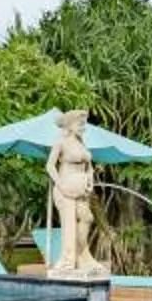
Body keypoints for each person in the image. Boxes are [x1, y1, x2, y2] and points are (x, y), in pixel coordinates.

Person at [46, 109, 103, 280]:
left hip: (81, 189)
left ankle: (83, 255)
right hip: (65, 190)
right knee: (70, 224)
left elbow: (89, 166)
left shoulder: (81, 143)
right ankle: (68, 259)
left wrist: (90, 180)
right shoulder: (61, 143)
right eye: (80, 124)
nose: (83, 127)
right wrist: (61, 184)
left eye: (84, 124)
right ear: (70, 125)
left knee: (87, 218)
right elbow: (50, 166)